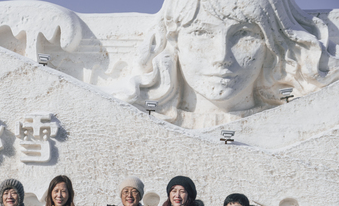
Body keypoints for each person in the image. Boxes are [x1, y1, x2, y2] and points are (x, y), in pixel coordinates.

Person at [117, 0, 339, 128]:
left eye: (243, 34)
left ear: (272, 43)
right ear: (174, 41)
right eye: (201, 33)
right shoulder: (133, 120)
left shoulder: (302, 124)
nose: (222, 56)